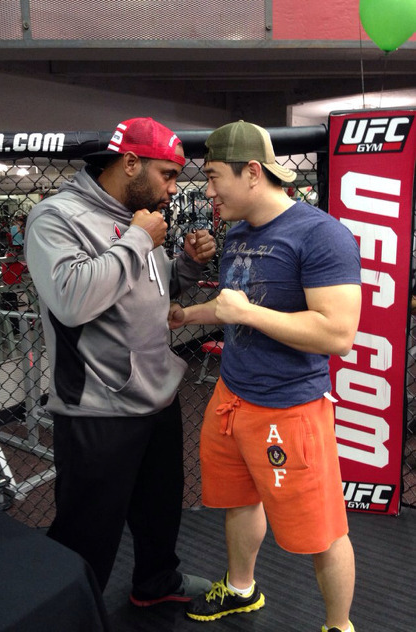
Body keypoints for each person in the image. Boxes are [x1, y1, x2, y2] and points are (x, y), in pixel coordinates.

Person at [168, 120, 362, 632]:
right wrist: (187, 316)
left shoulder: (322, 235)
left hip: (290, 408)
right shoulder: (238, 234)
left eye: (214, 176)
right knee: (237, 500)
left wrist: (249, 314)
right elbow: (232, 306)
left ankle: (339, 626)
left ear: (252, 172)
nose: (208, 191)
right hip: (232, 396)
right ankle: (241, 590)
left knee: (322, 532)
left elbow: (337, 334)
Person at [24, 117, 216, 605]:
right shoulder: (57, 217)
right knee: (87, 531)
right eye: (167, 175)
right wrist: (137, 240)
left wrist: (188, 264)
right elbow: (71, 300)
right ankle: (69, 613)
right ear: (130, 163)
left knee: (159, 512)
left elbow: (153, 289)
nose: (173, 189)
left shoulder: (140, 218)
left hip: (157, 395)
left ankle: (156, 583)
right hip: (98, 407)